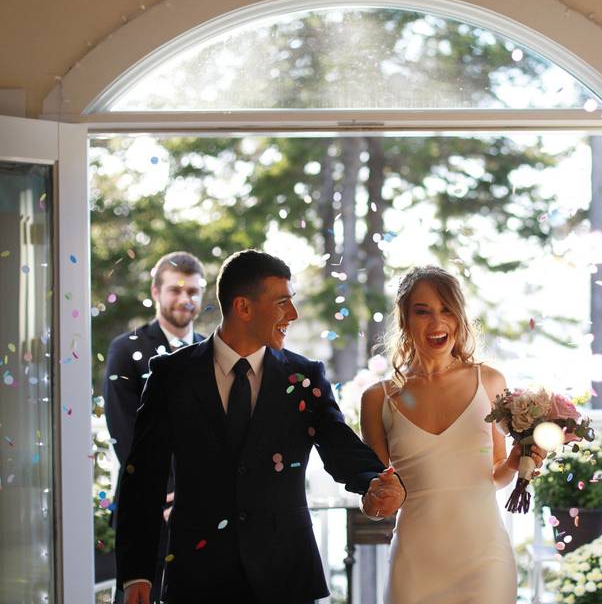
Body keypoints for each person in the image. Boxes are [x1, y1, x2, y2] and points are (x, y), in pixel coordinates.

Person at [116, 250, 404, 604]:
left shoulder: (304, 377)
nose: (293, 315)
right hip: (197, 576)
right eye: (282, 302)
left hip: (287, 574)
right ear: (244, 307)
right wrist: (137, 573)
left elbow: (338, 445)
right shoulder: (171, 376)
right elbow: (142, 478)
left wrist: (374, 481)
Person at [359, 265, 545, 604]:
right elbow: (374, 499)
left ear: (459, 317)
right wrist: (377, 501)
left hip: (484, 560)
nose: (437, 322)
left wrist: (517, 461)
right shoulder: (377, 399)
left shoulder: (489, 381)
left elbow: (495, 473)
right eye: (423, 312)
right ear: (404, 319)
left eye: (447, 310)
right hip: (415, 566)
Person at [104, 251, 206, 600]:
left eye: (192, 291)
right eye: (175, 290)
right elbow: (125, 432)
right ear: (155, 291)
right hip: (145, 507)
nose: (184, 299)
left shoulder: (212, 352)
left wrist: (194, 494)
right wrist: (168, 494)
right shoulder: (125, 350)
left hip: (203, 511)